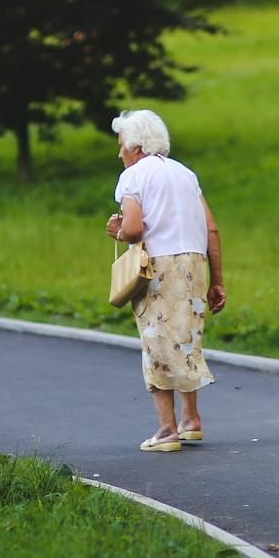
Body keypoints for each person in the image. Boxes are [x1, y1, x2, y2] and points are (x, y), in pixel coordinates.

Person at [104, 110, 227, 454]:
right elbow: (212, 229)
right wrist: (217, 280)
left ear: (136, 146)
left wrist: (116, 229)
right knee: (185, 339)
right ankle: (191, 421)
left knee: (156, 343)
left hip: (158, 267)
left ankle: (166, 430)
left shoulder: (133, 176)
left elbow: (132, 229)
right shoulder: (186, 174)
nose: (119, 154)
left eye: (121, 146)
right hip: (194, 263)